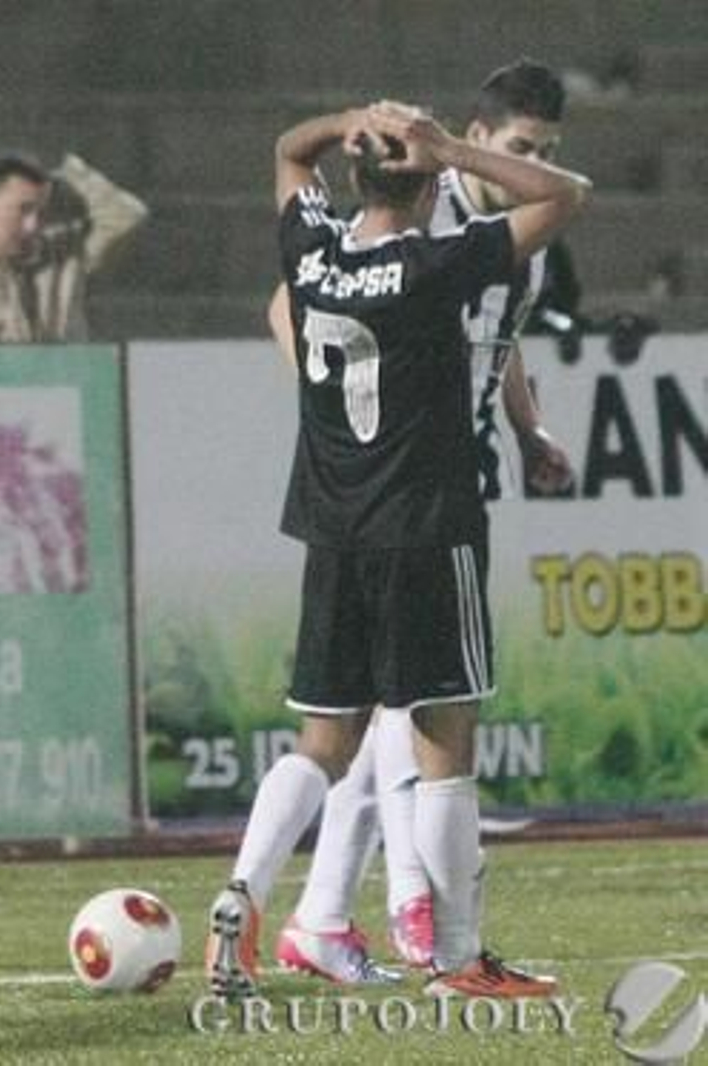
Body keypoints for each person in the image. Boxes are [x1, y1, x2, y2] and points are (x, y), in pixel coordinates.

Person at [204, 99, 590, 1002]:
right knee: (446, 737)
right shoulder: (433, 265)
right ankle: (459, 957)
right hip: (425, 528)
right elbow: (565, 195)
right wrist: (448, 147)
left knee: (322, 743)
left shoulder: (312, 251)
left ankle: (243, 892)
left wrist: (347, 119)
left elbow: (286, 148)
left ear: (352, 173)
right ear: (425, 184)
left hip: (334, 532)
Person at [0, 152, 147, 342]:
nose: (33, 225)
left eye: (41, 213)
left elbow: (127, 214)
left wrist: (67, 173)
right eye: (23, 210)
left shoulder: (63, 257)